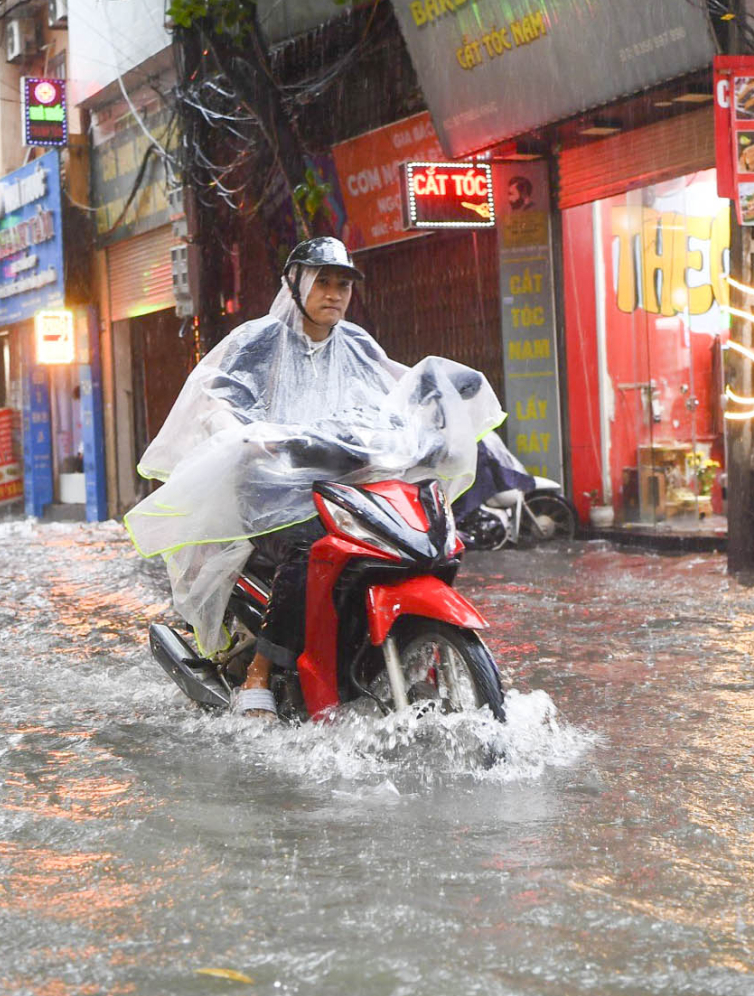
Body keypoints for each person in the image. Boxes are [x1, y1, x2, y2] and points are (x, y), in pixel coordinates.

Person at [126, 237, 500, 721]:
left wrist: (437, 414)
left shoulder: (358, 345)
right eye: (322, 281)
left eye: (343, 284)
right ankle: (259, 675)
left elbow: (396, 390)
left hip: (345, 482)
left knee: (418, 542)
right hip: (270, 488)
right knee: (311, 550)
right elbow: (216, 399)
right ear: (295, 282)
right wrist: (246, 434)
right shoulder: (257, 342)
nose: (335, 293)